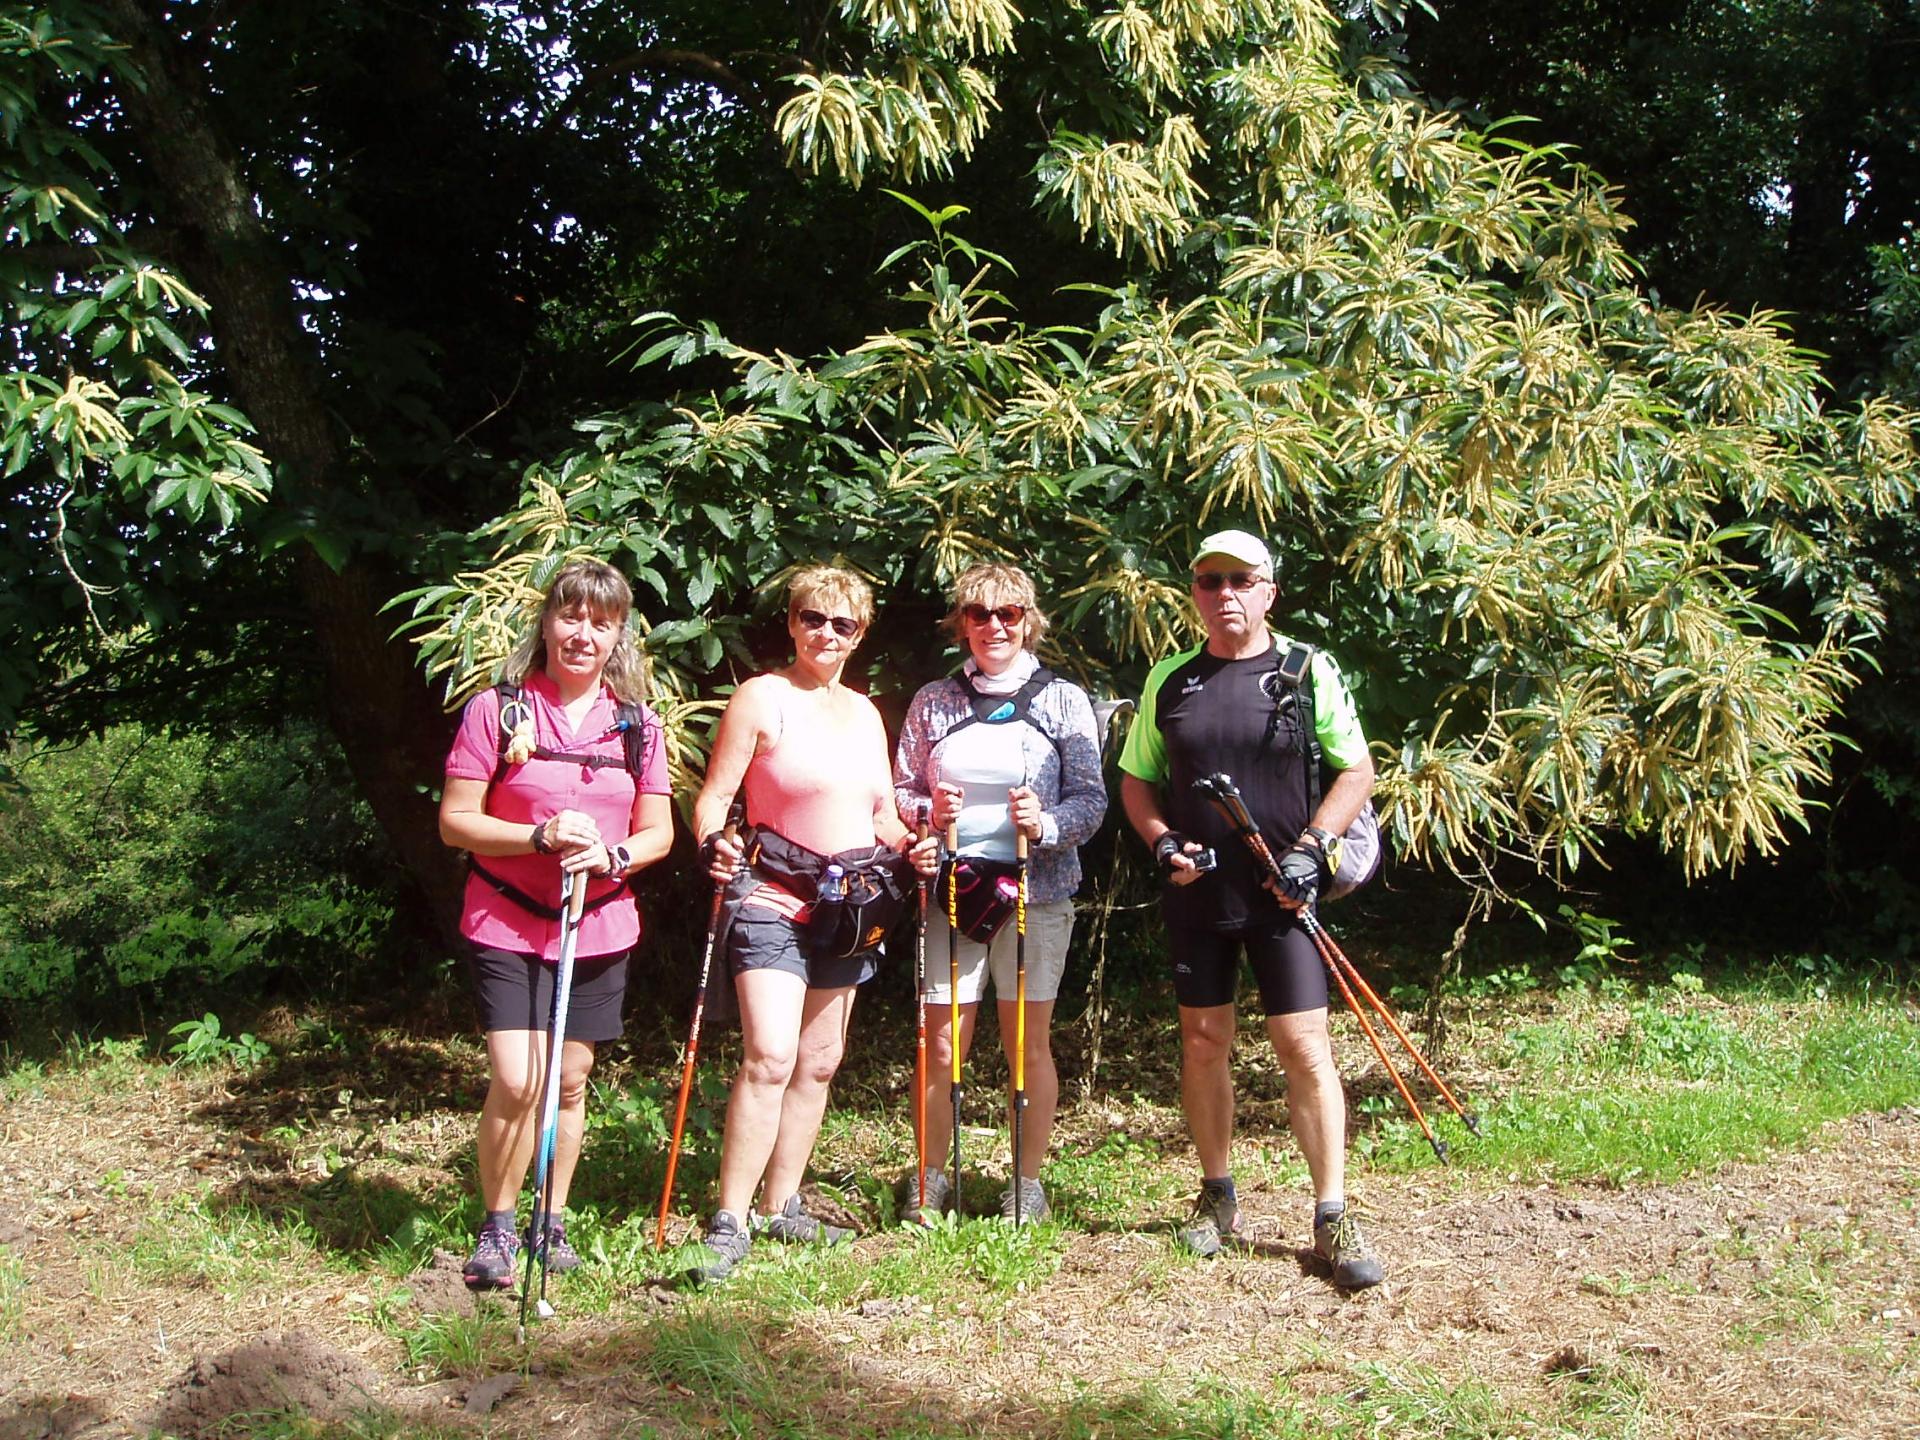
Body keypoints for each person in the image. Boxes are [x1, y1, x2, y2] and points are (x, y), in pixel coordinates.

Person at [1117, 529, 1384, 1288]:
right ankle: (1217, 1195)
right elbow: (1138, 779)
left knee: (1305, 1050)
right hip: (1199, 895)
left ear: (1269, 590)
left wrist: (1312, 849)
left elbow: (1355, 770)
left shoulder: (1305, 670)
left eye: (1240, 579)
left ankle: (1332, 1212)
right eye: (1209, 581)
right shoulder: (1171, 678)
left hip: (1282, 893)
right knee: (1203, 1043)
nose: (1224, 593)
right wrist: (1164, 841)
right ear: (1195, 593)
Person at [691, 564, 939, 1282]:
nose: (825, 634)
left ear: (860, 635)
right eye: (812, 618)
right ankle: (730, 1219)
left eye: (843, 624)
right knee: (769, 1055)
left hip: (850, 903)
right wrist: (714, 844)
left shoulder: (864, 712)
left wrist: (911, 843)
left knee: (820, 1059)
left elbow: (880, 813)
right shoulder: (761, 698)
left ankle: (782, 1203)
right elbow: (714, 800)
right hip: (772, 896)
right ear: (792, 622)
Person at [439, 559, 675, 1289]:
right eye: (571, 617)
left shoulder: (637, 726)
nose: (583, 635)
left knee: (569, 1081)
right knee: (518, 1079)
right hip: (506, 918)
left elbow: (658, 832)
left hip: (598, 922)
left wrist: (612, 856)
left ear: (618, 637)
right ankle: (499, 1226)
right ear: (546, 623)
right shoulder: (498, 711)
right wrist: (538, 837)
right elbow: (456, 823)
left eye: (600, 624)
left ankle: (553, 1220)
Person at [893, 563, 1106, 1224]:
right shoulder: (935, 699)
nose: (993, 626)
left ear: (1028, 620)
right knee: (941, 1044)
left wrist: (1042, 824)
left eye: (1008, 613)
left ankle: (1026, 1182)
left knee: (1026, 1043)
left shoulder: (1063, 700)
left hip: (1034, 894)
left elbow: (1091, 801)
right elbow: (899, 790)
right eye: (979, 613)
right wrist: (931, 810)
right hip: (953, 892)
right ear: (961, 622)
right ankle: (931, 1178)